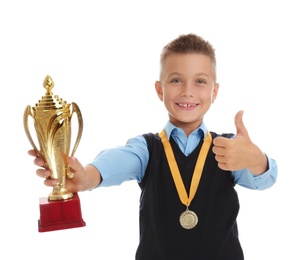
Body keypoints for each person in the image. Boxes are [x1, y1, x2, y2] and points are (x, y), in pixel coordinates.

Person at [28, 33, 278, 260]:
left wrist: (256, 158)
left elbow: (265, 179)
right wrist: (84, 177)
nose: (188, 91)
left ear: (215, 92)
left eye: (200, 81)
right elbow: (113, 162)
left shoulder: (229, 149)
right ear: (160, 90)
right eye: (176, 80)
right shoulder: (147, 149)